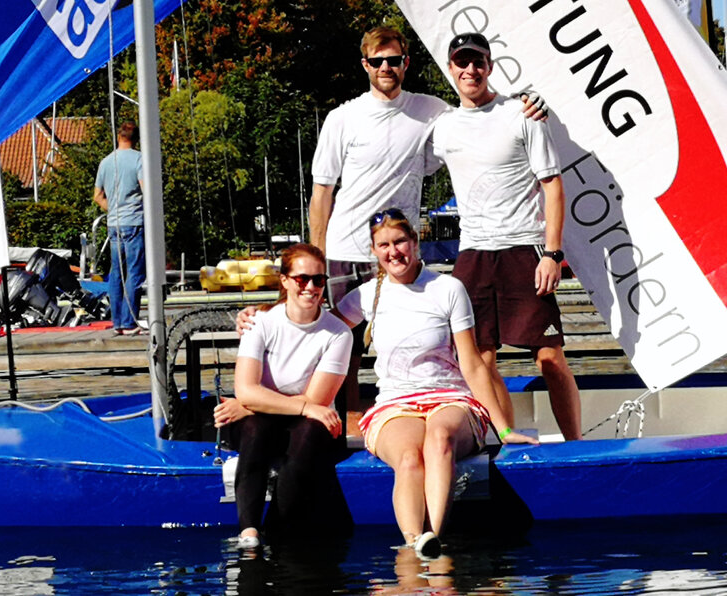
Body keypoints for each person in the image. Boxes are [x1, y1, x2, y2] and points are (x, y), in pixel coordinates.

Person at [335, 209, 537, 558]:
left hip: (450, 398)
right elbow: (312, 326)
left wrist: (503, 430)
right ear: (374, 250)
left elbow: (472, 364)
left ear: (415, 243)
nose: (393, 251)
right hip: (396, 404)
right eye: (383, 245)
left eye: (400, 241)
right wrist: (261, 317)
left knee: (439, 439)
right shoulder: (365, 296)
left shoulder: (447, 288)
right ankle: (416, 542)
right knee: (410, 459)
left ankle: (434, 539)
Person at [309, 27, 547, 309]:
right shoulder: (342, 119)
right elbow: (321, 195)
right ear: (365, 65)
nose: (385, 67)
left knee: (407, 345)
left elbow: (478, 114)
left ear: (405, 63)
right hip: (346, 252)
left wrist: (525, 100)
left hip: (400, 255)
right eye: (377, 61)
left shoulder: (432, 110)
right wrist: (316, 260)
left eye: (394, 60)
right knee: (346, 348)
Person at [427, 32, 582, 441]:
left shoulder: (522, 114)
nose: (470, 70)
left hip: (523, 248)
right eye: (462, 63)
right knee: (480, 358)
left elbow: (553, 186)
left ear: (490, 66)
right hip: (474, 252)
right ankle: (509, 436)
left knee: (549, 358)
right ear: (451, 70)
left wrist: (552, 253)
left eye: (477, 62)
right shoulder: (441, 127)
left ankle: (575, 445)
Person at [212, 243, 353, 548]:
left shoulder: (338, 333)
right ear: (286, 280)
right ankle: (248, 530)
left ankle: (277, 530)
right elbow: (247, 389)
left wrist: (251, 404)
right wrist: (252, 402)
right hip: (266, 419)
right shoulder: (260, 321)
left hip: (296, 421)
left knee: (308, 434)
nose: (311, 287)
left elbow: (316, 401)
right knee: (255, 429)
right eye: (302, 279)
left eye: (319, 280)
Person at [93, 121, 144, 334]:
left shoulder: (106, 162)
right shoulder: (139, 159)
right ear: (136, 138)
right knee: (134, 272)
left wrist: (112, 207)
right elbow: (146, 189)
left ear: (118, 136)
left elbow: (97, 196)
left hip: (114, 223)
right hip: (134, 221)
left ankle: (118, 322)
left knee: (116, 273)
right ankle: (130, 321)